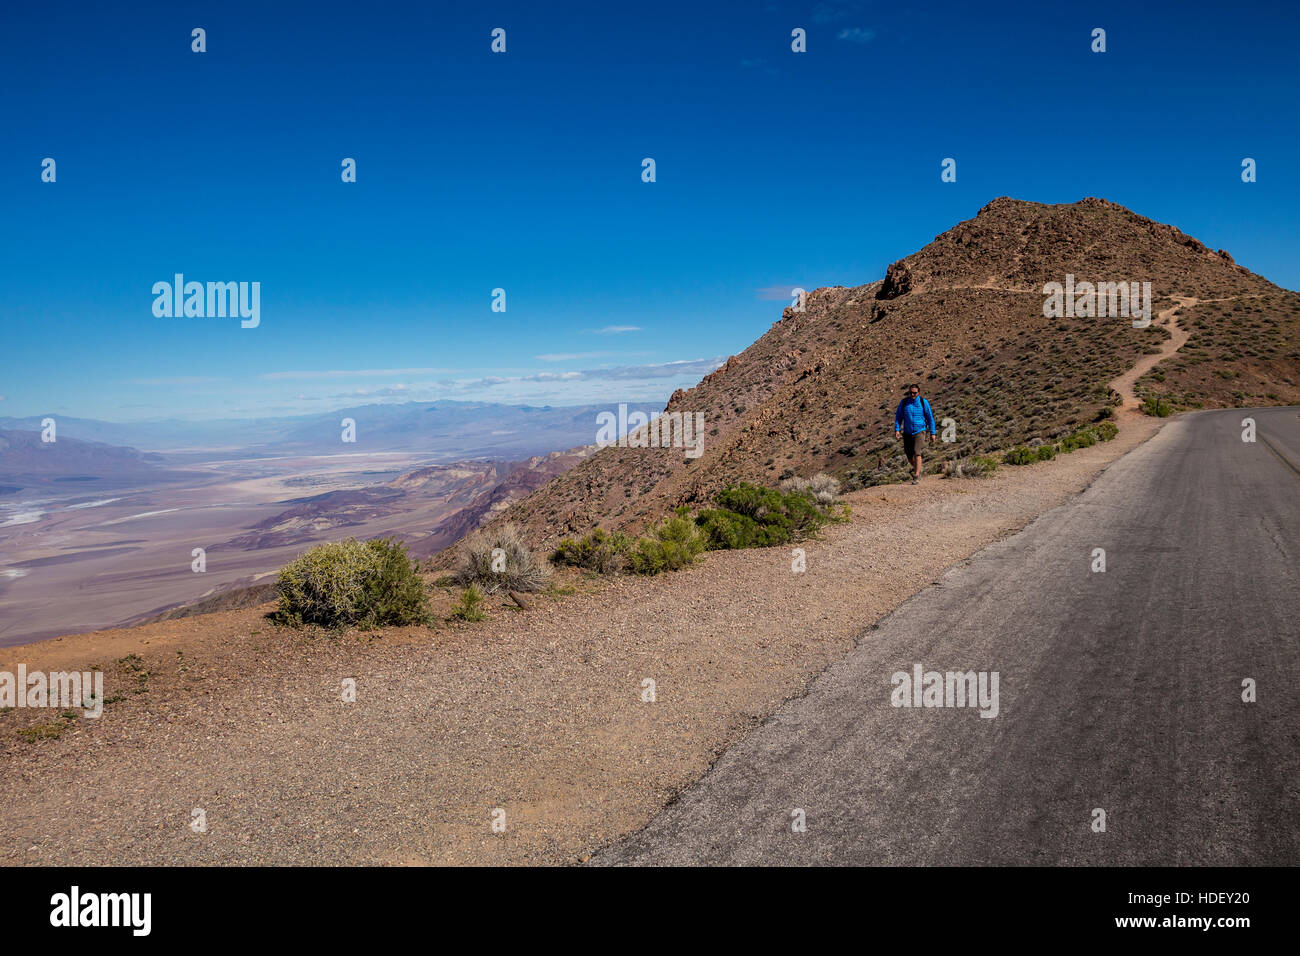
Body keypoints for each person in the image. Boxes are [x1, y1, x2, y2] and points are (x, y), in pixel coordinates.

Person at [894, 383, 937, 484]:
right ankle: (917, 469)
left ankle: (916, 476)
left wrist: (932, 432)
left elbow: (930, 418)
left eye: (914, 393)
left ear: (918, 393)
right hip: (907, 432)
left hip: (920, 430)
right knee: (909, 456)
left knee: (917, 452)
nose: (912, 395)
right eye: (910, 393)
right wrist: (897, 429)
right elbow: (899, 416)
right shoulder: (904, 402)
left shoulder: (923, 402)